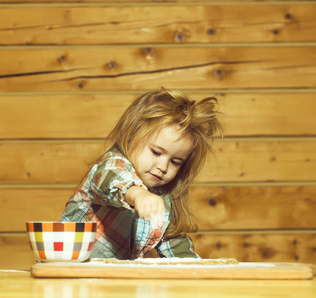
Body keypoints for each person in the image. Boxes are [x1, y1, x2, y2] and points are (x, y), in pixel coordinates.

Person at [60, 89, 223, 259]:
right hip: (67, 265)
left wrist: (196, 269)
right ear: (130, 137)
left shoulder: (162, 200)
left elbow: (174, 243)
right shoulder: (112, 164)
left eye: (175, 162)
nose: (163, 166)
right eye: (156, 152)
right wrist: (137, 194)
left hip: (111, 278)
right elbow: (112, 180)